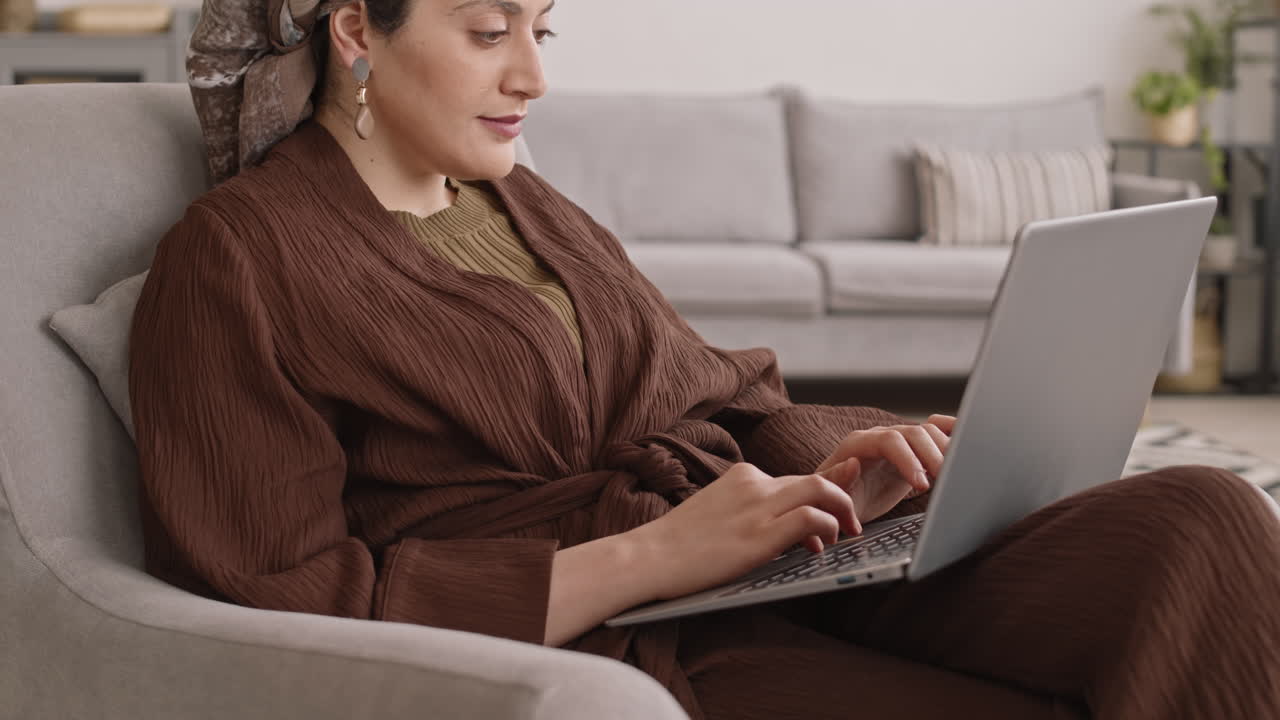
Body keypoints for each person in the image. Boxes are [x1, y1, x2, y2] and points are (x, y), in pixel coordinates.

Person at [128, 0, 1280, 717]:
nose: (533, 75)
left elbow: (715, 390)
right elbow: (273, 589)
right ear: (354, 31)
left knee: (1202, 521)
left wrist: (841, 465)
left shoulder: (522, 199)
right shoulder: (239, 257)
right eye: (488, 32)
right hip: (621, 627)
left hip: (757, 559)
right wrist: (651, 556)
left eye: (541, 29)